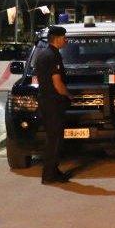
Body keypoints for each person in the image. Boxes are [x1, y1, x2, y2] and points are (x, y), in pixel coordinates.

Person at [34, 26, 72, 184]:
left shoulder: (42, 54)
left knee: (53, 138)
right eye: (64, 37)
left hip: (45, 101)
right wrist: (69, 95)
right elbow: (57, 84)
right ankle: (49, 175)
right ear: (57, 38)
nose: (66, 40)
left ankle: (52, 171)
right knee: (54, 140)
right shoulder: (53, 56)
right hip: (53, 103)